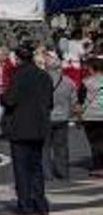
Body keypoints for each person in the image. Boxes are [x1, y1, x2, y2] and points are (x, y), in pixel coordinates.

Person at [2, 44, 54, 215]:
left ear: (18, 58)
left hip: (20, 128)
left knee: (22, 170)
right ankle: (41, 205)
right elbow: (49, 103)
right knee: (36, 168)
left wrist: (2, 96)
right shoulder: (44, 76)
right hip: (39, 127)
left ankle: (26, 207)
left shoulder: (18, 76)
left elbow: (10, 100)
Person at [47, 53, 75, 182]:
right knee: (62, 146)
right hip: (63, 117)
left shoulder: (43, 80)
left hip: (46, 117)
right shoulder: (68, 81)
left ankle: (47, 173)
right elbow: (74, 99)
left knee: (45, 147)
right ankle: (63, 172)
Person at [80, 58, 103, 177]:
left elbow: (81, 99)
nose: (86, 70)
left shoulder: (86, 82)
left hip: (91, 115)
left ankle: (98, 167)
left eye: (88, 68)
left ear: (92, 68)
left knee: (95, 142)